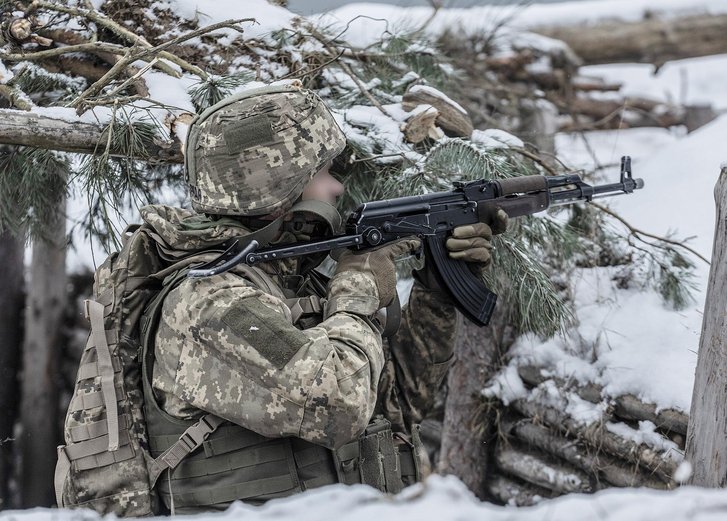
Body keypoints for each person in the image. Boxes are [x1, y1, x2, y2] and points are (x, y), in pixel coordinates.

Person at [138, 82, 506, 513]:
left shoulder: (289, 283)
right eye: (322, 174)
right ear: (278, 190)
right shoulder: (208, 303)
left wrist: (438, 293)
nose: (336, 189)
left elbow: (393, 411)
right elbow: (341, 406)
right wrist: (358, 287)